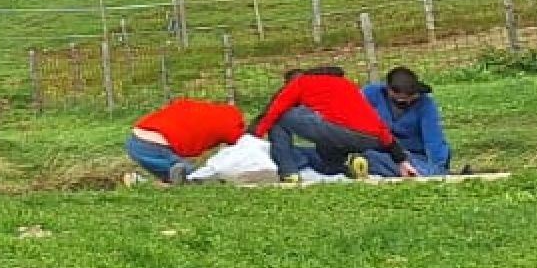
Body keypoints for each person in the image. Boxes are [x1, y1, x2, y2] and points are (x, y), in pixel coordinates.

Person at [254, 65, 412, 178]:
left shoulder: (300, 83)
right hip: (370, 138)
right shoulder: (347, 85)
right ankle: (348, 164)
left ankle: (289, 173)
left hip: (340, 131)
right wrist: (401, 161)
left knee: (280, 116)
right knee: (324, 147)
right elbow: (379, 126)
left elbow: (274, 110)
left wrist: (254, 135)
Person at [125, 95, 245, 182]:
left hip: (134, 139)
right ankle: (187, 176)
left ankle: (151, 181)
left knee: (168, 172)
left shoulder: (203, 109)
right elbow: (244, 146)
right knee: (196, 175)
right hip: (155, 144)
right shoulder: (231, 125)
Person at [363, 66, 451, 176]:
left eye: (412, 98)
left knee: (417, 166)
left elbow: (434, 139)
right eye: (402, 102)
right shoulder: (371, 94)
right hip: (383, 152)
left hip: (414, 156)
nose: (408, 103)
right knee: (368, 157)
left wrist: (439, 166)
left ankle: (430, 173)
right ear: (389, 91)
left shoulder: (425, 104)